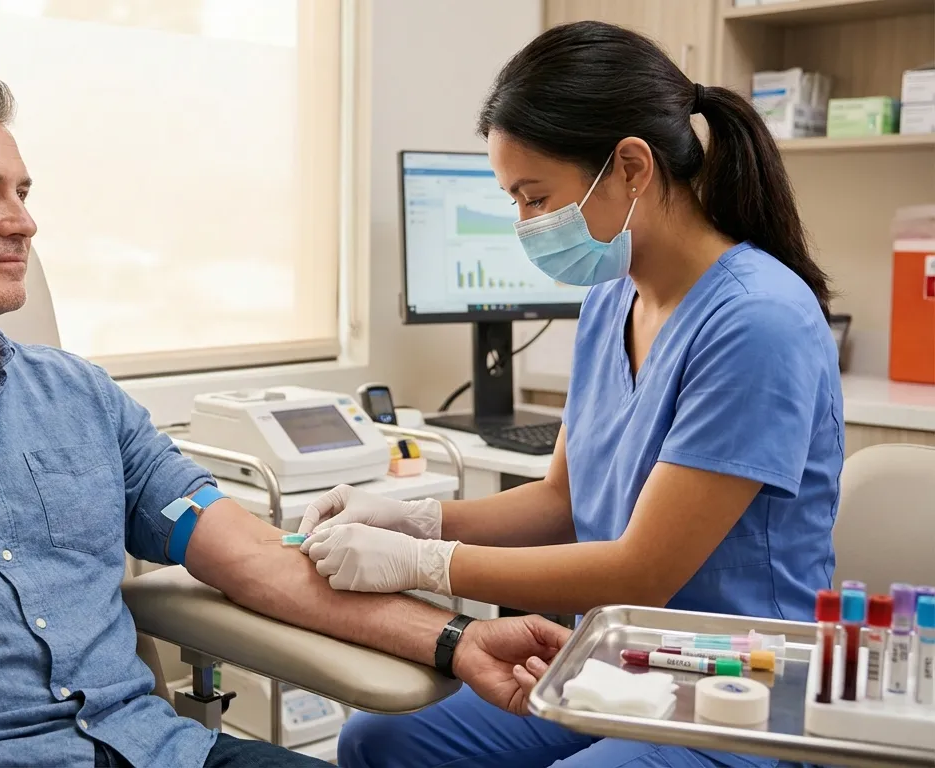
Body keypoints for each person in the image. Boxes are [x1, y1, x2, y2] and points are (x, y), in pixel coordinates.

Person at [0, 74, 569, 768]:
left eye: (23, 190)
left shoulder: (78, 398)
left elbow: (252, 561)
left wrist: (455, 637)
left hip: (154, 749)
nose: (24, 223)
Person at [297, 21, 843, 768]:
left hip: (740, 690)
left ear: (630, 167)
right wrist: (410, 517)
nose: (525, 225)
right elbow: (562, 500)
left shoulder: (758, 321)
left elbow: (639, 570)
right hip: (620, 665)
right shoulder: (610, 302)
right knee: (377, 744)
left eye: (536, 196)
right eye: (514, 200)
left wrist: (421, 563)